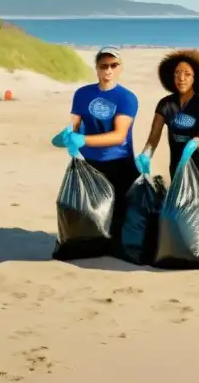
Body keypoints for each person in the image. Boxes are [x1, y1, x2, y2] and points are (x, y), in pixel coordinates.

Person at [51, 46, 140, 254]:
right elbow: (73, 125)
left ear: (120, 68)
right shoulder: (82, 94)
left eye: (113, 65)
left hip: (120, 163)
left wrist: (82, 139)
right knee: (89, 212)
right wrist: (64, 137)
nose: (108, 70)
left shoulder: (126, 98)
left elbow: (119, 136)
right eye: (103, 66)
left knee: (119, 217)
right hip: (90, 163)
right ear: (97, 68)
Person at [137, 49, 199, 194]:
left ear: (195, 78)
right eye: (177, 73)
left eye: (187, 74)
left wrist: (194, 143)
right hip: (177, 161)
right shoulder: (165, 104)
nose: (181, 78)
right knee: (180, 204)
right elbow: (154, 136)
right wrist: (146, 154)